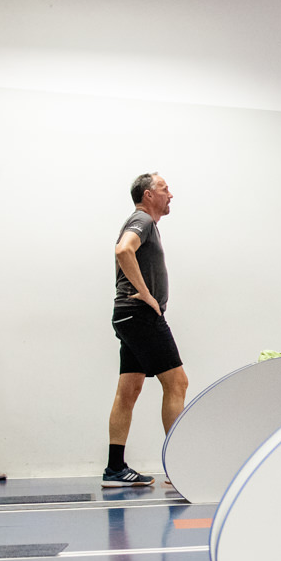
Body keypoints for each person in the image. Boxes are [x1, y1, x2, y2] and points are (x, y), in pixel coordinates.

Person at [105, 173, 188, 488]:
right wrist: (146, 294)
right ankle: (179, 467)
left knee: (129, 391)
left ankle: (115, 469)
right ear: (148, 194)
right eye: (165, 189)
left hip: (128, 316)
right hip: (140, 315)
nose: (170, 194)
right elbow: (123, 250)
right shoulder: (142, 220)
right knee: (177, 383)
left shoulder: (145, 223)